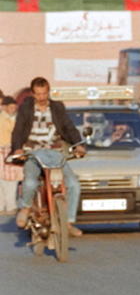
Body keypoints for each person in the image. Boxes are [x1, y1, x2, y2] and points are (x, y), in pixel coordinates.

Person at [11, 77, 86, 236]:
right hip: (32, 152)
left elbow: (69, 127)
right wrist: (17, 149)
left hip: (55, 152)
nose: (42, 97)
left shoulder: (57, 107)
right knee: (30, 182)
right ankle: (25, 208)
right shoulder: (25, 108)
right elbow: (18, 130)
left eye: (44, 93)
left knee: (73, 184)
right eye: (38, 94)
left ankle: (69, 222)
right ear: (32, 94)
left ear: (48, 92)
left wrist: (78, 144)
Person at [1, 95, 21, 214]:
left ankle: (10, 205)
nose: (13, 109)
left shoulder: (16, 118)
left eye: (14, 107)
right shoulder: (4, 119)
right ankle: (3, 205)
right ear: (5, 107)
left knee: (12, 180)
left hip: (12, 151)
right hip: (2, 151)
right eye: (11, 107)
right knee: (3, 180)